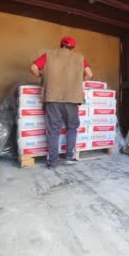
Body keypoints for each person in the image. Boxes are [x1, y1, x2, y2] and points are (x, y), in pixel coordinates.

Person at [30, 36, 93, 168]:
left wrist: (42, 77)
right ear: (72, 47)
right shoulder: (79, 58)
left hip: (53, 98)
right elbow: (89, 74)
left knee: (53, 130)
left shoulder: (48, 55)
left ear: (61, 45)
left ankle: (53, 161)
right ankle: (69, 157)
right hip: (72, 98)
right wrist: (78, 82)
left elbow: (33, 67)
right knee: (72, 128)